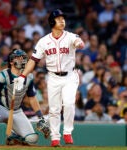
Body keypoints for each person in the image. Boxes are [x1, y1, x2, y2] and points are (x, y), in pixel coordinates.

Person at [14, 9, 85, 147]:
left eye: (63, 18)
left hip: (70, 75)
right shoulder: (44, 41)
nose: (62, 21)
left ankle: (67, 132)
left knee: (69, 104)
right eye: (58, 19)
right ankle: (55, 137)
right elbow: (33, 60)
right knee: (54, 109)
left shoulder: (70, 36)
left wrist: (79, 43)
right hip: (53, 77)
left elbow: (80, 42)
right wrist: (22, 76)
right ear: (52, 22)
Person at [0, 49, 50, 145]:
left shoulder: (29, 77)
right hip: (0, 107)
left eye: (23, 58)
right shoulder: (3, 75)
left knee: (32, 139)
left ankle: (14, 136)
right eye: (18, 58)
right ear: (11, 62)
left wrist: (41, 117)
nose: (21, 60)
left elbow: (32, 98)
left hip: (16, 111)